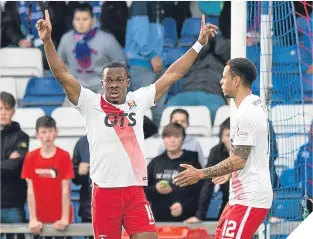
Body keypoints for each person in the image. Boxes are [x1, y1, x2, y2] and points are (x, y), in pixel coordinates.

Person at [36, 9, 217, 239]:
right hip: (104, 195)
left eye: (119, 80)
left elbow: (173, 74)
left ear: (127, 82)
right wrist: (48, 41)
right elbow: (62, 74)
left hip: (134, 192)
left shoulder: (138, 100)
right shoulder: (89, 102)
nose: (113, 84)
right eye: (108, 80)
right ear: (101, 83)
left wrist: (198, 44)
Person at [173, 58, 273, 239]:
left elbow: (239, 159)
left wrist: (200, 174)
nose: (220, 81)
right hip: (241, 195)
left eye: (224, 76)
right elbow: (249, 154)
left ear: (236, 81)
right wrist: (230, 171)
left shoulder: (247, 113)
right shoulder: (255, 104)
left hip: (249, 197)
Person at [21, 116, 74, 234]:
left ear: (56, 132)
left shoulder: (64, 156)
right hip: (39, 221)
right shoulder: (31, 157)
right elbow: (30, 190)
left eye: (50, 131)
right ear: (37, 134)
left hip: (60, 221)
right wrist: (33, 218)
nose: (47, 136)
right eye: (43, 132)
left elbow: (66, 189)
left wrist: (64, 218)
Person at [145, 123, 203, 222]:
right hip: (159, 221)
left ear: (183, 139)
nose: (172, 140)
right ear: (163, 139)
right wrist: (156, 189)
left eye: (176, 136)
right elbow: (142, 190)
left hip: (187, 221)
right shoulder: (155, 162)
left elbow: (200, 192)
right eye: (168, 136)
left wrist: (183, 206)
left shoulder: (192, 161)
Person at [184, 117, 230, 224]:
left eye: (235, 135)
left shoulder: (248, 150)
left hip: (249, 201)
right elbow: (208, 183)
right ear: (222, 138)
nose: (232, 139)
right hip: (228, 202)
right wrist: (200, 215)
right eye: (228, 135)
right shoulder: (216, 152)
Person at [1, 92, 29, 235]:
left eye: (7, 108)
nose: (3, 113)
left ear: (13, 111)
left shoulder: (22, 137)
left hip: (14, 205)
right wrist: (8, 161)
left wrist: (10, 162)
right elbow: (9, 164)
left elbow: (14, 166)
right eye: (0, 109)